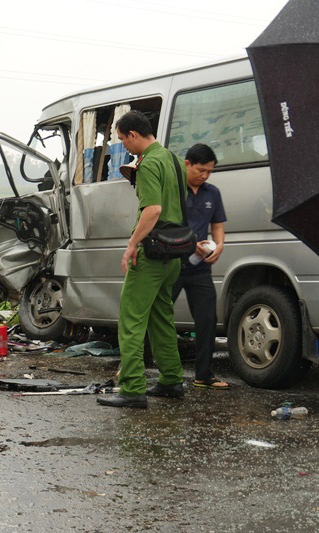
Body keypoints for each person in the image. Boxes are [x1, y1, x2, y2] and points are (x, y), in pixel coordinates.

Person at [98, 110, 185, 408]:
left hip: (151, 251)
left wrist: (131, 246)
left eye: (123, 139)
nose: (125, 146)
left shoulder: (149, 164)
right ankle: (172, 379)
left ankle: (133, 387)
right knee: (162, 319)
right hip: (174, 253)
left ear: (134, 135)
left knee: (132, 319)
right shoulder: (173, 159)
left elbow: (153, 210)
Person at [171, 143, 228, 389]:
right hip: (172, 263)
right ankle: (136, 366)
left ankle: (203, 374)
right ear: (187, 164)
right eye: (201, 170)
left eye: (209, 172)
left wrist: (220, 246)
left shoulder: (212, 193)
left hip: (200, 267)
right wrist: (188, 242)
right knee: (157, 315)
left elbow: (217, 225)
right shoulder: (172, 189)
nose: (204, 175)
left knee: (207, 319)